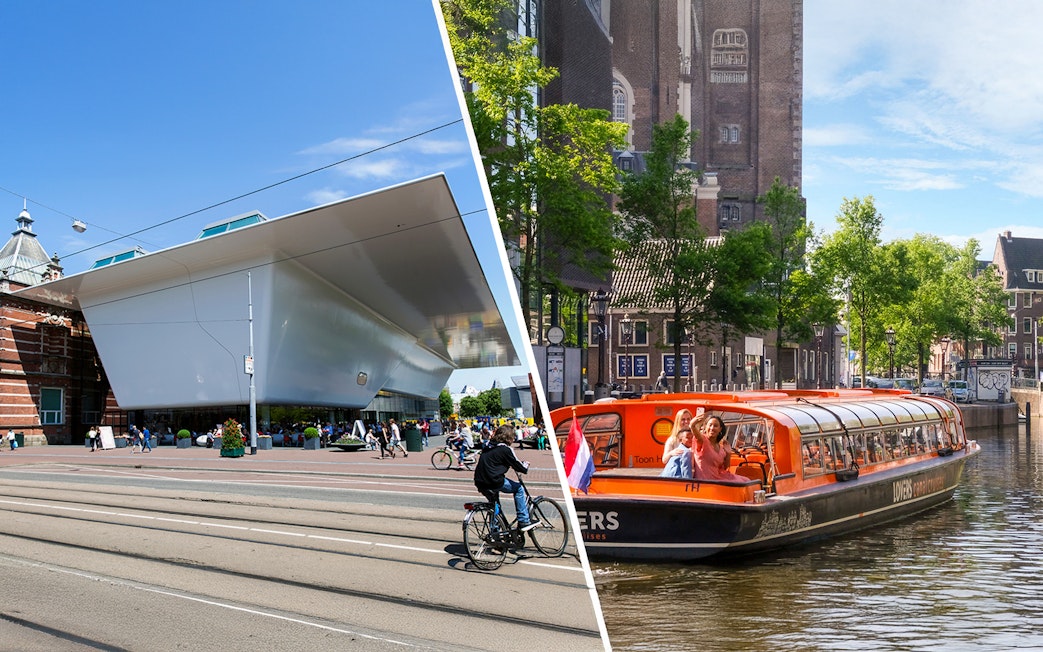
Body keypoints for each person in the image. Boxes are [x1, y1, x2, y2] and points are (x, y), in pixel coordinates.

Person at [473, 425, 539, 531]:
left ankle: (495, 533)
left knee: (495, 505)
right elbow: (520, 467)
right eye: (513, 437)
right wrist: (525, 464)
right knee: (519, 489)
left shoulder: (488, 446)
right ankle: (523, 521)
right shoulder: (505, 449)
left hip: (479, 481)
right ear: (509, 438)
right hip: (493, 481)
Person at [692, 415, 745, 482]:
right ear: (705, 427)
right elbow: (697, 435)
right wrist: (692, 426)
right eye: (710, 425)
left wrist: (728, 454)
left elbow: (725, 468)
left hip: (718, 479)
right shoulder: (703, 441)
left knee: (744, 480)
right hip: (704, 481)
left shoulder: (720, 447)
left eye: (715, 426)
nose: (712, 428)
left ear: (720, 429)